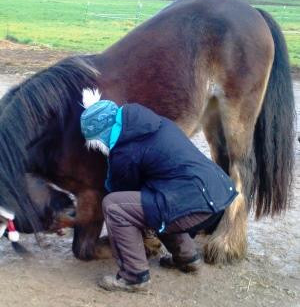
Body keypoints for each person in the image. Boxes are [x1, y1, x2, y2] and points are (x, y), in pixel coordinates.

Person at [80, 89, 238, 292]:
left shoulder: (124, 151)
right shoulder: (153, 123)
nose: (101, 147)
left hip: (197, 203)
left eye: (99, 143)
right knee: (154, 199)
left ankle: (134, 276)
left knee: (115, 206)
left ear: (102, 135)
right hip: (216, 193)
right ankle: (187, 258)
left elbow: (120, 190)